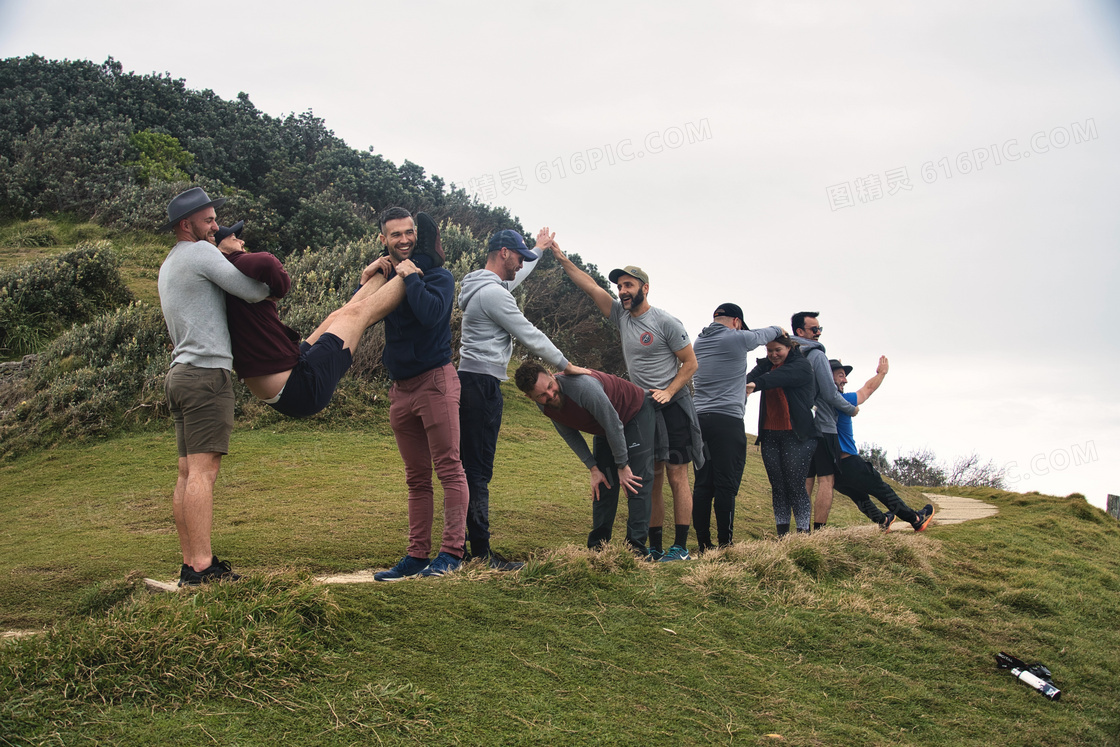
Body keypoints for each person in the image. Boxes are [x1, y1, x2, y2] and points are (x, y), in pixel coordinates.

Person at [551, 247, 703, 562]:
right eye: (620, 287)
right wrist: (562, 258)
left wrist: (670, 390)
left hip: (673, 404)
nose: (622, 291)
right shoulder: (621, 316)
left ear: (644, 288)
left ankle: (681, 547)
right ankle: (656, 545)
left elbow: (690, 363)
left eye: (628, 285)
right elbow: (591, 287)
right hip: (643, 406)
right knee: (654, 475)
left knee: (677, 474)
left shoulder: (665, 322)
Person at [157, 187, 271, 586]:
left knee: (187, 472)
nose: (215, 227)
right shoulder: (202, 253)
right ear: (185, 225)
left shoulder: (169, 263)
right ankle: (203, 568)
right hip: (206, 376)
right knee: (204, 473)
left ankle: (191, 562)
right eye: (208, 221)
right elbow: (254, 291)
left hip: (179, 375)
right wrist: (235, 258)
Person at [458, 227, 589, 566]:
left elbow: (514, 279)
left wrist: (537, 250)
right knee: (478, 471)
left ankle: (459, 546)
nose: (520, 265)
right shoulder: (494, 295)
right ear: (503, 252)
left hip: (470, 382)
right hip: (482, 386)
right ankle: (481, 552)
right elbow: (529, 334)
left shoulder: (480, 286)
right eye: (518, 257)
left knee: (468, 468)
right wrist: (566, 364)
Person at [213, 220, 409, 417]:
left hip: (291, 372)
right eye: (234, 238)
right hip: (299, 388)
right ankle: (415, 265)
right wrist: (278, 291)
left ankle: (390, 264)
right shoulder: (228, 263)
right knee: (355, 316)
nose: (241, 241)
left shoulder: (227, 279)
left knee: (338, 316)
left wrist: (367, 275)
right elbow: (267, 262)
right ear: (218, 246)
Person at [370, 207, 469, 581]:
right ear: (384, 239)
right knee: (416, 478)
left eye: (409, 232)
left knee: (449, 468)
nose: (404, 239)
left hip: (435, 382)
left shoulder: (440, 277)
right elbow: (361, 310)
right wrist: (367, 278)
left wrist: (411, 277)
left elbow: (430, 314)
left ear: (417, 234)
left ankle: (451, 553)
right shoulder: (387, 277)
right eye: (395, 235)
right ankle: (415, 556)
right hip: (401, 390)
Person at [514, 361, 654, 554]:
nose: (550, 395)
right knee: (604, 483)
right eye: (541, 395)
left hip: (634, 412)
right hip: (606, 428)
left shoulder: (583, 388)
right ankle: (598, 549)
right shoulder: (544, 405)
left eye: (550, 387)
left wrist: (622, 465)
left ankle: (635, 551)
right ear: (529, 397)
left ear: (551, 374)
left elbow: (614, 424)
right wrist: (593, 468)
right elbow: (569, 433)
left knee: (635, 481)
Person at [691, 303, 783, 552]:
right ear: (736, 322)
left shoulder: (699, 342)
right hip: (727, 421)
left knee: (702, 484)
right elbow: (767, 334)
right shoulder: (736, 338)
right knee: (725, 484)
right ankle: (725, 545)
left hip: (699, 419)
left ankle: (703, 544)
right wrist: (780, 329)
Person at [830, 357, 935, 531]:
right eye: (840, 375)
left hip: (831, 469)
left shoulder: (818, 403)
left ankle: (883, 521)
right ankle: (916, 519)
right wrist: (881, 373)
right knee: (882, 490)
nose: (845, 380)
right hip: (849, 461)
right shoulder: (842, 400)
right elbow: (867, 390)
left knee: (859, 496)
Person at [745, 334, 818, 536]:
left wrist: (756, 385)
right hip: (770, 434)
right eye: (769, 351)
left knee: (795, 484)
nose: (773, 355)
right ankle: (782, 534)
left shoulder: (801, 366)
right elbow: (748, 379)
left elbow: (780, 377)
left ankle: (803, 532)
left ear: (789, 348)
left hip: (797, 435)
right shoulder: (766, 365)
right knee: (778, 486)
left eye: (778, 350)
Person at [791, 311, 858, 530]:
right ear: (800, 331)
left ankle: (801, 531)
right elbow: (829, 393)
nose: (818, 333)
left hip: (799, 426)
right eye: (814, 329)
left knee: (806, 480)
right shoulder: (817, 355)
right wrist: (851, 409)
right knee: (826, 480)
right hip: (823, 427)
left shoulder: (791, 353)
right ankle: (819, 532)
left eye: (820, 329)